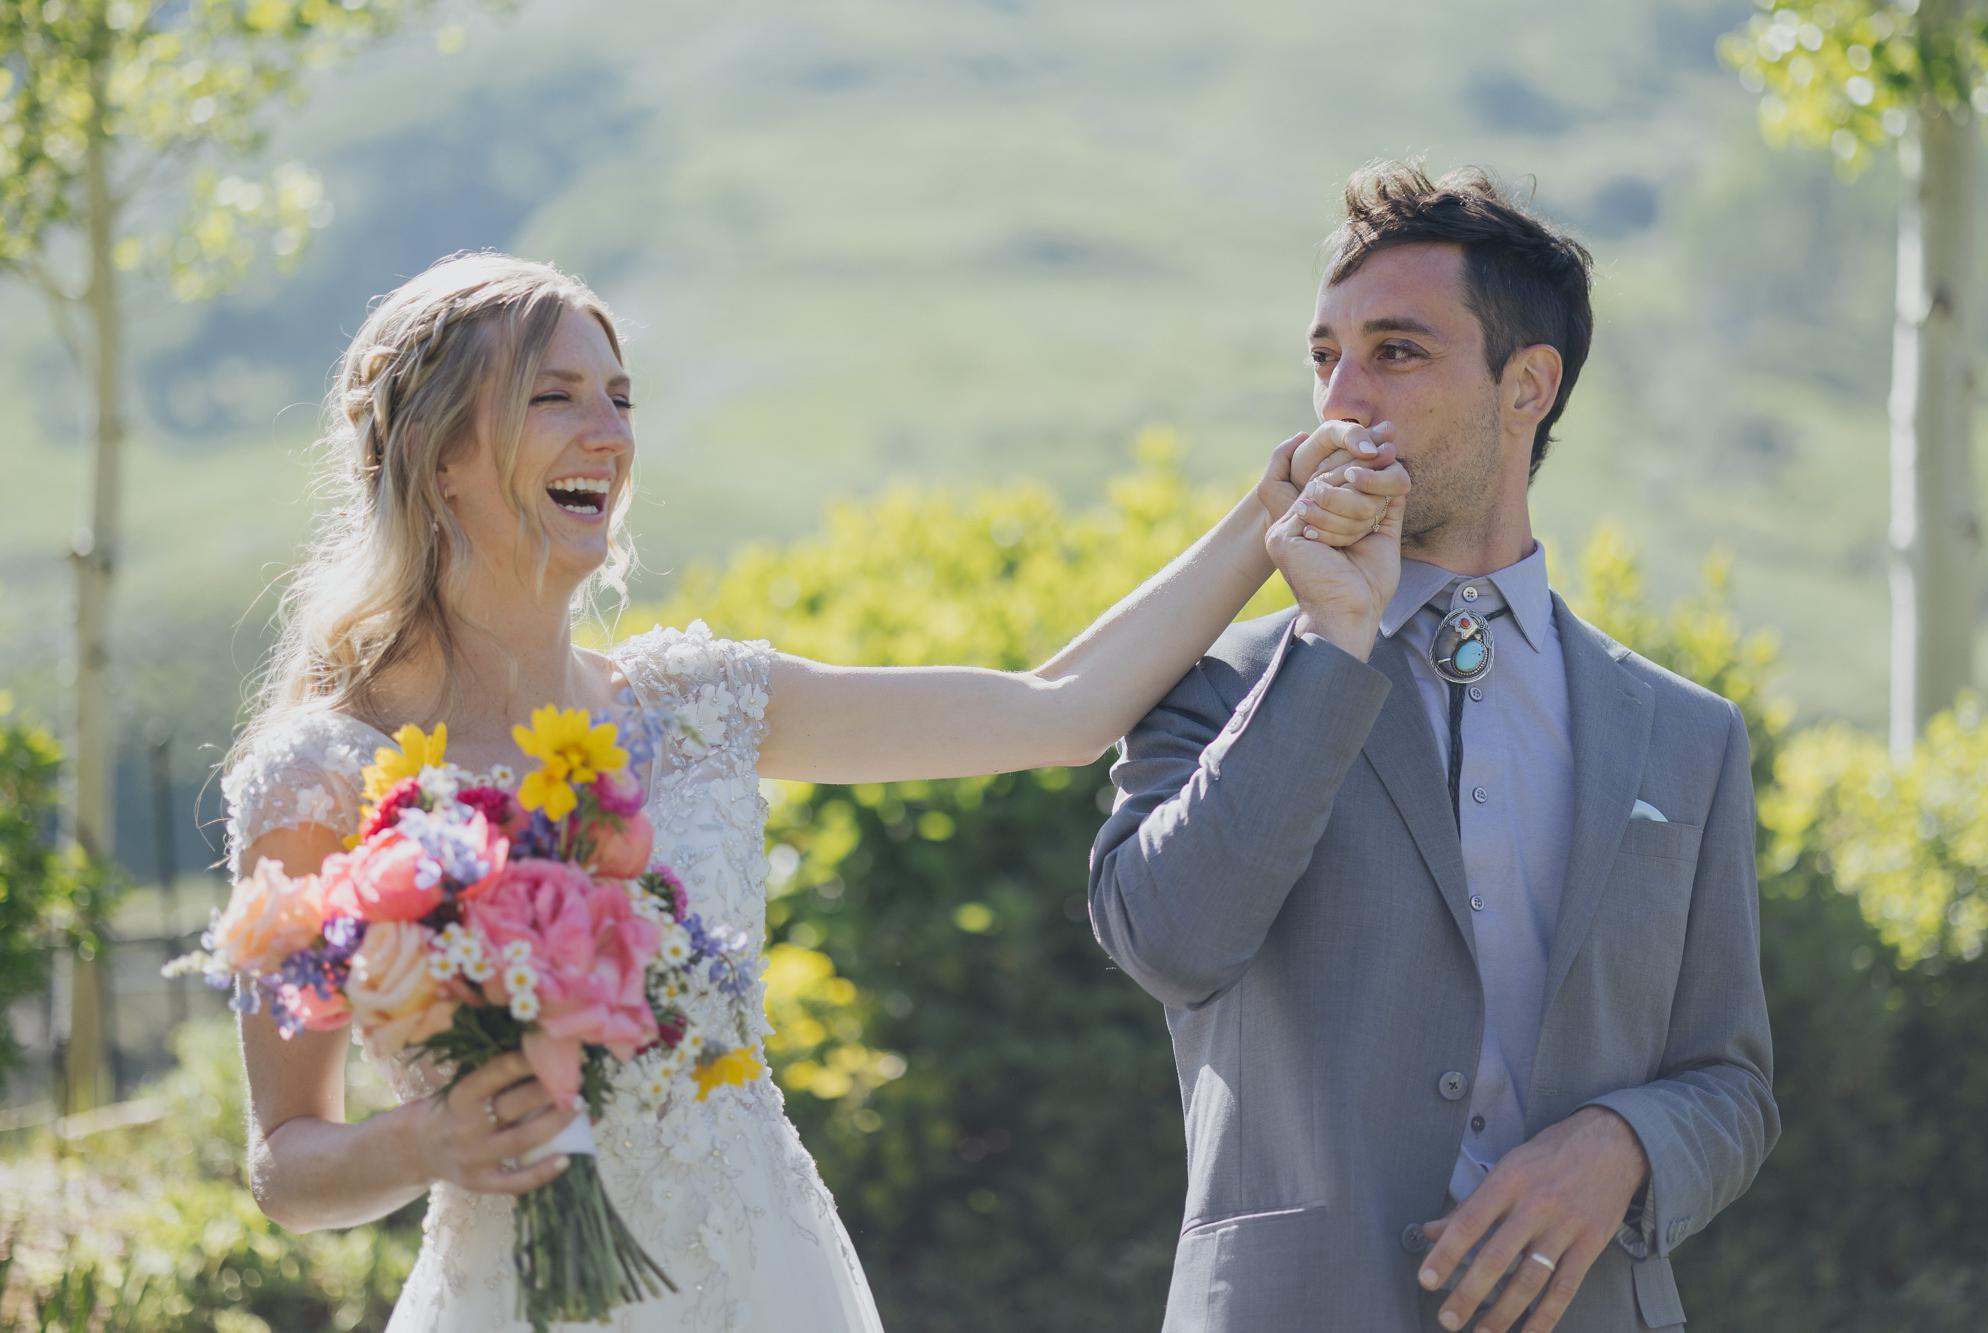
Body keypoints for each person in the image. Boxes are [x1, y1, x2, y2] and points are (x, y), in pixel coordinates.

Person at [221, 250, 1409, 1331]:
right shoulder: (320, 774)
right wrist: (424, 1138)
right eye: (555, 396)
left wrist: (1270, 515)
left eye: (620, 397)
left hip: (773, 1287)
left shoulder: (700, 704)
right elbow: (287, 1162)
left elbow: (1059, 706)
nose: (609, 435)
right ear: (442, 456)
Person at [1088, 162, 1779, 1333]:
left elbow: (1731, 1082)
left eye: (1394, 352)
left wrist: (1623, 1143)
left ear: (1527, 387)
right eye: (1323, 357)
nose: (1339, 402)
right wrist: (1329, 645)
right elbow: (1171, 941)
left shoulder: (1687, 735)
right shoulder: (1211, 682)